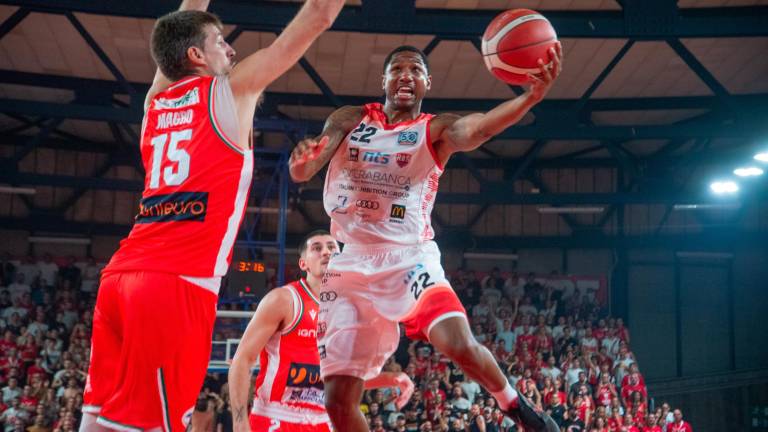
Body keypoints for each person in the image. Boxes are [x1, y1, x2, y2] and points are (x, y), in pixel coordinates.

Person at [80, 0, 345, 430]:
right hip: (173, 286)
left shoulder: (156, 102)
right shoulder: (232, 91)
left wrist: (192, 20)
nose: (232, 51)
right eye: (221, 42)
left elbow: (176, 33)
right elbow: (318, 16)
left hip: (119, 282)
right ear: (196, 56)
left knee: (97, 420)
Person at [289, 42, 562, 431]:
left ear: (426, 83)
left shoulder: (434, 129)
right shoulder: (350, 119)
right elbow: (308, 166)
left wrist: (528, 98)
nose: (405, 75)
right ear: (383, 79)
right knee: (337, 400)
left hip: (407, 256)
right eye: (397, 68)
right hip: (349, 263)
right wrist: (301, 165)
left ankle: (514, 404)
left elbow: (479, 128)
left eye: (415, 70)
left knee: (457, 342)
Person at [228, 231, 414, 432]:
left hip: (322, 421)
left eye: (332, 247)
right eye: (317, 248)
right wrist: (240, 424)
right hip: (276, 417)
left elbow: (339, 380)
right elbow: (241, 361)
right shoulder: (284, 300)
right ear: (303, 264)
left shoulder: (350, 312)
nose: (326, 252)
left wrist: (391, 379)